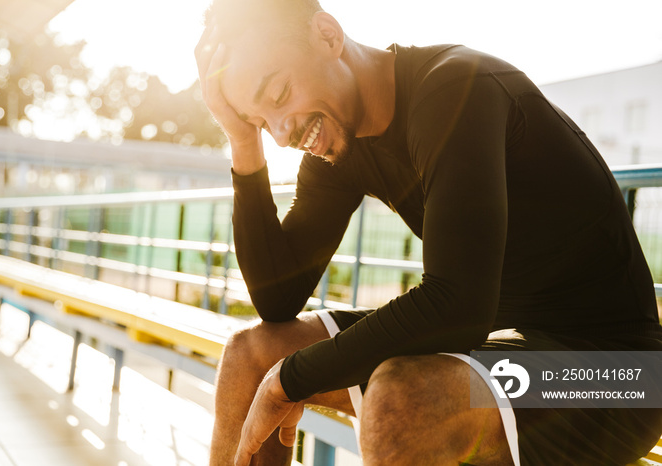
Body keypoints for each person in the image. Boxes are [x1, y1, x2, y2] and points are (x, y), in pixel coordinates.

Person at [195, 0, 662, 464]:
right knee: (250, 358)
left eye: (278, 95)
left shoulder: (456, 88)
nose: (281, 134)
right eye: (262, 122)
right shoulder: (338, 141)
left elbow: (457, 305)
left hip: (621, 375)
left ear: (328, 35)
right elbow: (278, 299)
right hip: (503, 349)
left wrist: (291, 379)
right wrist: (241, 138)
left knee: (399, 402)